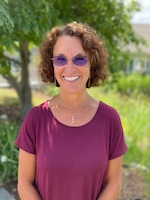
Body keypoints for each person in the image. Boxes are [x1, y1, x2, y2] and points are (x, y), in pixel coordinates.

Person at [15, 21, 128, 200]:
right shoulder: (36, 119)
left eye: (79, 59)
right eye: (60, 59)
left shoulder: (110, 119)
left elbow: (114, 183)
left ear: (92, 63)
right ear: (52, 65)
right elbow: (24, 184)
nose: (69, 68)